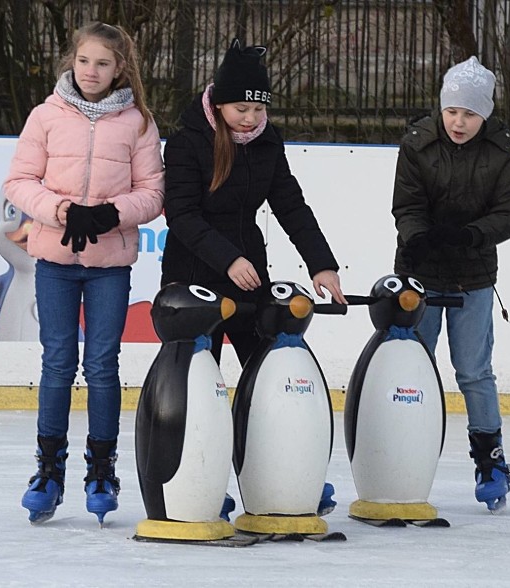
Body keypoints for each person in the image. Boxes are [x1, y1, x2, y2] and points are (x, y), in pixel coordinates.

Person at [160, 39, 347, 519]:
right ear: (218, 102)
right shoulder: (187, 141)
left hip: (247, 278)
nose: (249, 118)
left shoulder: (267, 141)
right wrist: (226, 260)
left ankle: (279, 472)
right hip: (195, 279)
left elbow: (290, 204)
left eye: (257, 108)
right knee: (201, 385)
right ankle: (201, 480)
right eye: (241, 107)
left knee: (265, 377)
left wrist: (322, 264)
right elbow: (180, 214)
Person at [3, 22, 164, 525]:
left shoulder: (138, 123)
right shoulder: (46, 116)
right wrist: (62, 211)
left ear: (121, 69)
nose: (91, 71)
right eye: (84, 60)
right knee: (57, 362)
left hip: (108, 267)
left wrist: (110, 214)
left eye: (103, 63)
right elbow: (19, 181)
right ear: (71, 62)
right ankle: (48, 472)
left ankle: (102, 470)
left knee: (100, 364)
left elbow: (154, 193)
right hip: (53, 261)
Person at [391, 56, 510, 511]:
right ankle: (402, 451)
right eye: (452, 111)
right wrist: (418, 239)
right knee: (414, 367)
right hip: (420, 271)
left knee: (472, 371)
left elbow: (509, 214)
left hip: (473, 273)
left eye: (469, 113)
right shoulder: (416, 144)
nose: (458, 122)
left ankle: (491, 462)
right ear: (441, 108)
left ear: (484, 114)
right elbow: (406, 205)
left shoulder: (500, 152)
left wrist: (472, 235)